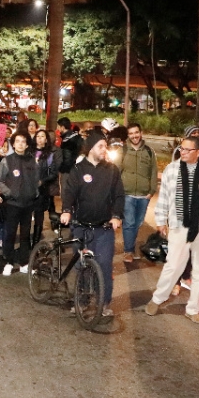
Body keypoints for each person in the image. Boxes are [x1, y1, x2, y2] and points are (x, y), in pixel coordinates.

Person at [144, 136, 199, 324]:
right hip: (179, 225)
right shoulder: (172, 169)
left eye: (188, 150)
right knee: (173, 265)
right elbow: (164, 197)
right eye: (182, 148)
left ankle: (193, 309)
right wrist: (160, 220)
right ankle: (157, 299)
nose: (183, 152)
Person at [58, 131, 125, 317]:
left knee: (103, 265)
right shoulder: (78, 170)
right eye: (100, 146)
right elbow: (69, 192)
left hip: (103, 228)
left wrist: (116, 216)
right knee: (82, 266)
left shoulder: (111, 170)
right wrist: (66, 210)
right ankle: (82, 301)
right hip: (81, 227)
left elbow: (119, 195)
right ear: (90, 148)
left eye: (105, 146)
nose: (104, 149)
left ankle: (104, 303)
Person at [0, 131, 40, 275]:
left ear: (27, 144)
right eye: (17, 141)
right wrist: (10, 193)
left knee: (25, 235)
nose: (20, 144)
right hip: (12, 204)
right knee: (10, 234)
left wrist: (34, 193)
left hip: (28, 204)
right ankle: (8, 262)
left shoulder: (33, 161)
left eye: (23, 141)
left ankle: (24, 263)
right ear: (13, 144)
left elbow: (36, 180)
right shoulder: (7, 161)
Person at [120, 123, 158, 263]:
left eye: (136, 132)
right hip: (127, 194)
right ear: (128, 135)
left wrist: (151, 190)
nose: (134, 136)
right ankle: (128, 251)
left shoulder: (149, 151)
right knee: (129, 222)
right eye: (131, 133)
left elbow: (153, 171)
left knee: (138, 223)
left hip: (144, 195)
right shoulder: (123, 150)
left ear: (141, 133)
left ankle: (131, 246)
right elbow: (116, 171)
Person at [31, 129, 60, 247]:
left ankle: (35, 242)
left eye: (42, 136)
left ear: (46, 139)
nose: (40, 138)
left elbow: (53, 173)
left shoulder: (50, 154)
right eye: (38, 136)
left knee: (39, 215)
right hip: (27, 189)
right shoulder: (29, 152)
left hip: (42, 189)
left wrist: (42, 181)